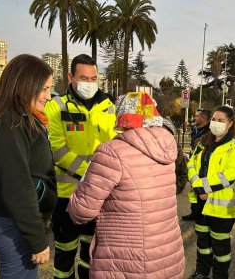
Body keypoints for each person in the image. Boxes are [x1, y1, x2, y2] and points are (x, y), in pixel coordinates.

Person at [68, 91, 185, 278]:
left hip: (127, 261)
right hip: (167, 255)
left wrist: (80, 185)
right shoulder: (168, 150)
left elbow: (81, 212)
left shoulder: (112, 152)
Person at [0, 54, 57, 279]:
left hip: (16, 221)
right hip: (11, 222)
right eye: (43, 89)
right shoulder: (8, 125)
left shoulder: (20, 117)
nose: (48, 97)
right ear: (24, 84)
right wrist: (37, 240)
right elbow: (17, 188)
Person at [44, 54, 117, 279]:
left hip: (99, 196)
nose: (90, 83)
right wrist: (91, 172)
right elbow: (57, 150)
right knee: (64, 255)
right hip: (67, 195)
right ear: (70, 77)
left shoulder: (109, 106)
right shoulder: (56, 106)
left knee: (92, 255)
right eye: (84, 78)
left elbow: (116, 145)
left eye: (94, 78)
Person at [187, 106, 235, 279]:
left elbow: (229, 175)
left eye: (221, 121)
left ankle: (220, 276)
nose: (215, 123)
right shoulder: (202, 142)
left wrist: (202, 187)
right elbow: (191, 164)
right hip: (200, 201)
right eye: (214, 119)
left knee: (220, 247)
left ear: (230, 124)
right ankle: (202, 271)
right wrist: (197, 185)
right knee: (203, 242)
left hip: (221, 207)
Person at [182, 108, 211, 221]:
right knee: (194, 188)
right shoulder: (196, 130)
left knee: (202, 188)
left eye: (197, 116)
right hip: (194, 160)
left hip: (203, 163)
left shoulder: (209, 130)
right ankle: (194, 212)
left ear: (203, 117)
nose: (195, 118)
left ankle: (201, 214)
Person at [163, 116, 188, 195]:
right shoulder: (147, 148)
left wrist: (176, 190)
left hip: (168, 195)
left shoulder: (176, 150)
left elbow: (183, 173)